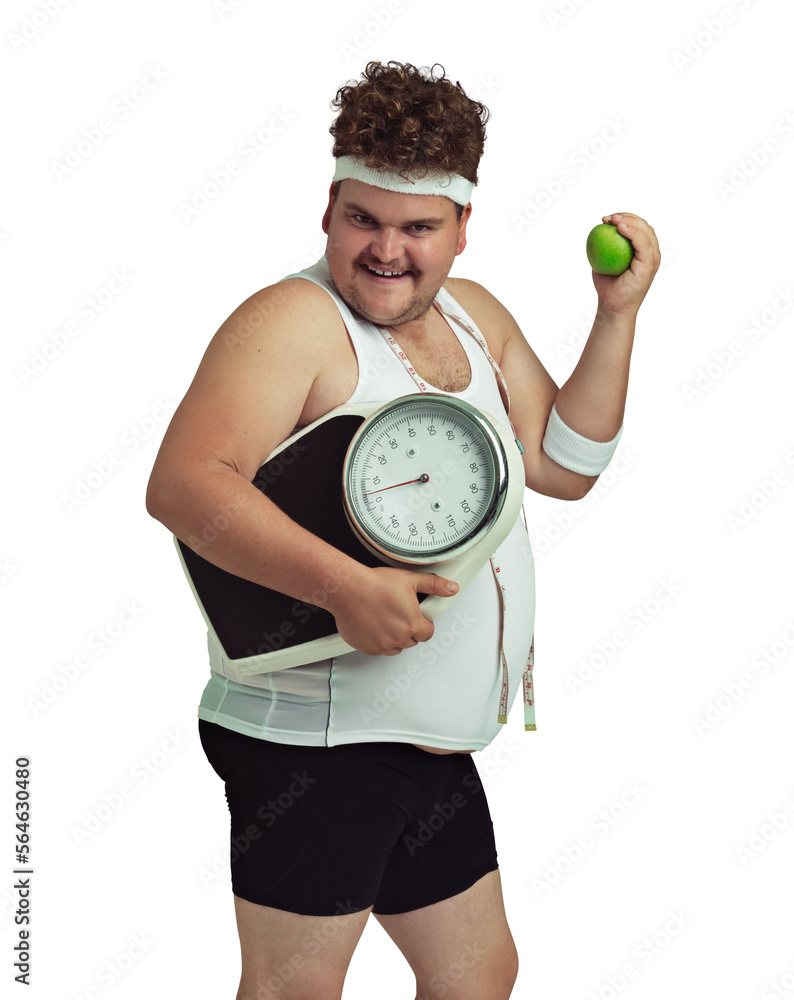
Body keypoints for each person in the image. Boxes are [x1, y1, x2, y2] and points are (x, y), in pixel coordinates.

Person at [146, 61, 659, 1000]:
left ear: (464, 225)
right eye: (363, 220)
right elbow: (184, 486)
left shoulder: (471, 314)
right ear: (330, 205)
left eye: (418, 227)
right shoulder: (292, 322)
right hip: (319, 742)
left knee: (476, 976)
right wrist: (343, 587)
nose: (388, 251)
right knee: (296, 989)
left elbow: (565, 466)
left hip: (426, 738)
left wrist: (615, 314)